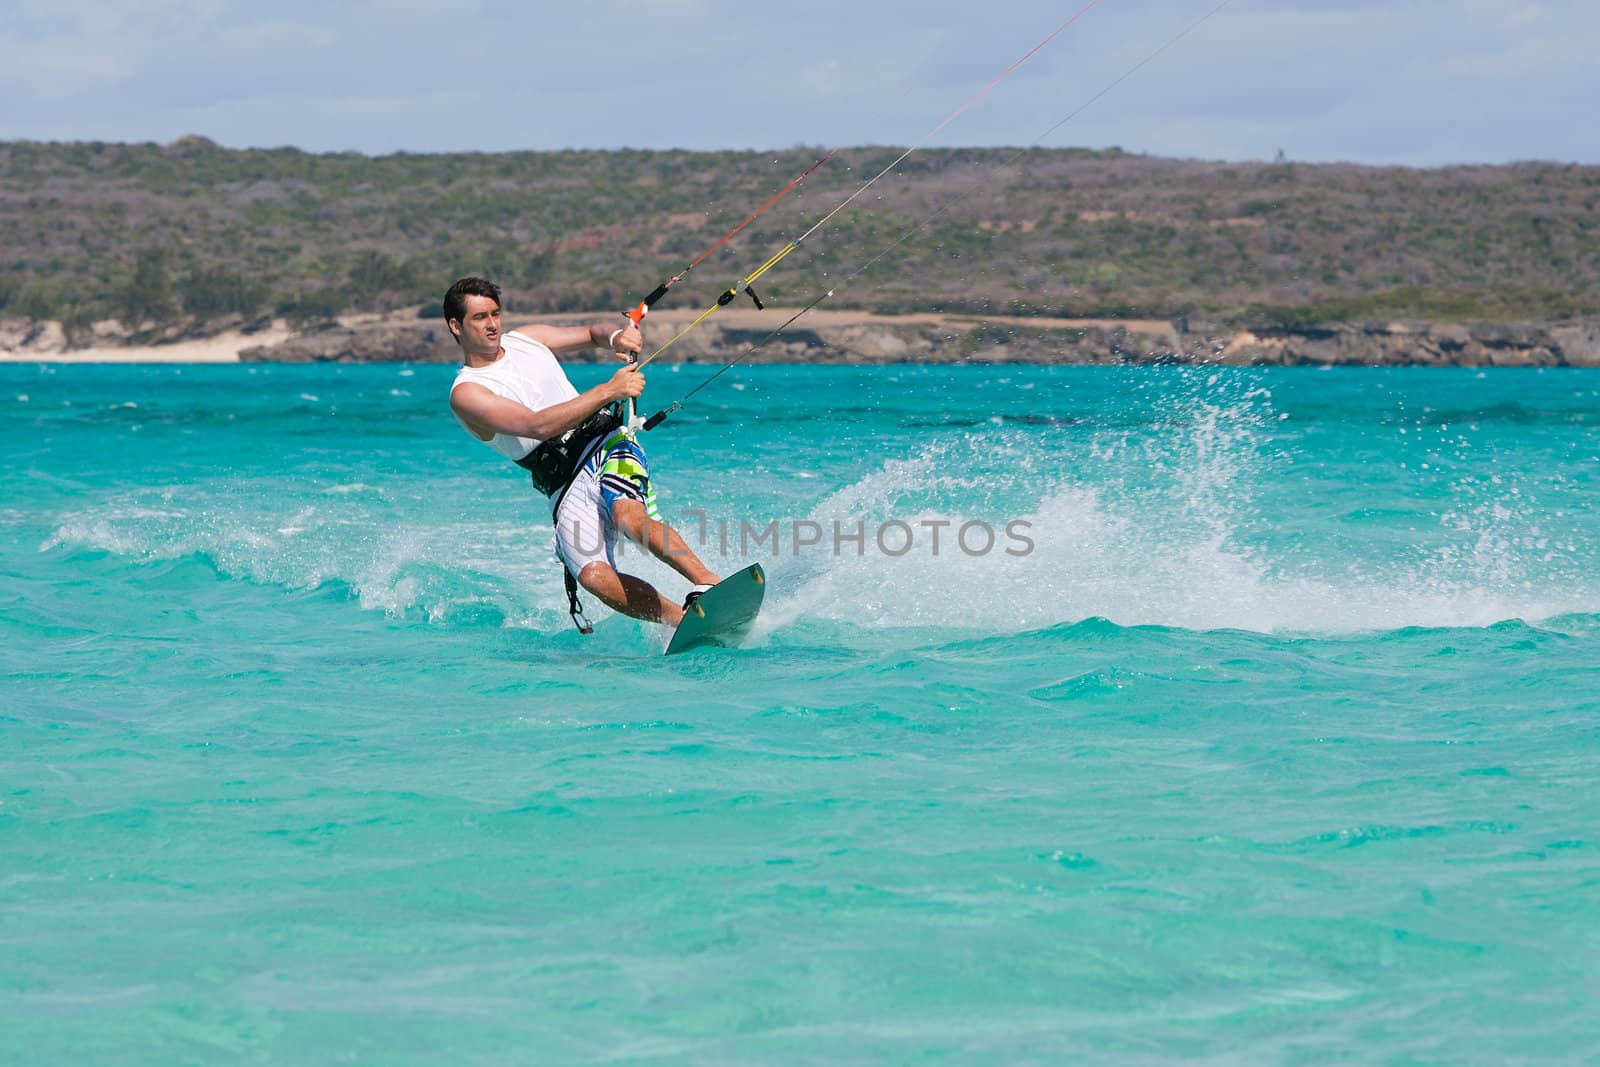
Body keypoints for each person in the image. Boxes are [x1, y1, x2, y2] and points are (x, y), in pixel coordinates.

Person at [443, 276, 720, 631]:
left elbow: (591, 333)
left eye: (495, 313)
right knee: (593, 576)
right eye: (480, 317)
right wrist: (609, 390)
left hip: (605, 444)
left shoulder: (527, 339)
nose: (493, 324)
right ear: (456, 325)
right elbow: (537, 426)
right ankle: (681, 622)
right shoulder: (467, 393)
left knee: (626, 516)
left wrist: (615, 338)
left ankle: (706, 580)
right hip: (561, 482)